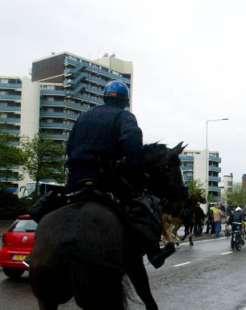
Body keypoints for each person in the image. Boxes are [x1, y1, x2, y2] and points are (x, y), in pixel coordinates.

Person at [65, 80, 174, 269]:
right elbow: (132, 147)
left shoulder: (83, 117)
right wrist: (138, 176)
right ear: (125, 101)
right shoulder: (125, 117)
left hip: (76, 179)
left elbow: (69, 148)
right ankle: (154, 252)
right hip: (106, 179)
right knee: (143, 207)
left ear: (104, 97)